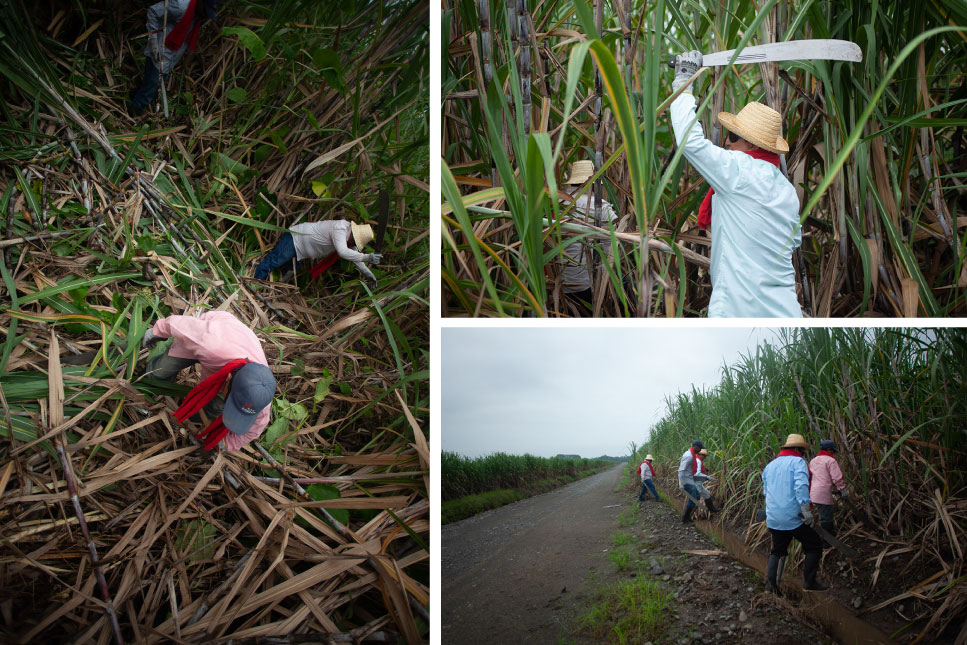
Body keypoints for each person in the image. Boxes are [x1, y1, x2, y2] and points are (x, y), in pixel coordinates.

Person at [668, 50, 802, 317]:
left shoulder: (738, 171)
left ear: (751, 143)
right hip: (785, 314)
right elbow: (793, 241)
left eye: (732, 136)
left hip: (737, 310)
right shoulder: (787, 191)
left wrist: (683, 82)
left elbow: (689, 141)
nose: (726, 142)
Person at [142, 310, 275, 451]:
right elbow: (182, 325)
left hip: (236, 347)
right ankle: (153, 388)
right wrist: (157, 331)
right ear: (227, 380)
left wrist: (226, 444)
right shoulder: (209, 343)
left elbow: (256, 427)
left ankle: (190, 419)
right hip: (216, 333)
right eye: (231, 401)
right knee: (158, 372)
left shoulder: (260, 394)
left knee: (215, 407)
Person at [762, 434, 828, 594]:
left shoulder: (770, 465)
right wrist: (806, 511)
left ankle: (771, 587)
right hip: (793, 517)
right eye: (802, 450)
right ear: (797, 449)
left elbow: (766, 492)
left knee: (778, 550)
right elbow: (801, 486)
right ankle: (809, 583)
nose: (803, 453)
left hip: (773, 517)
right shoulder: (798, 462)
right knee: (814, 546)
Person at [130, 0, 216, 116]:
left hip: (169, 60)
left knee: (153, 89)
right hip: (159, 54)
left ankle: (131, 103)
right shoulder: (180, 6)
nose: (205, 15)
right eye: (205, 11)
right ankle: (132, 116)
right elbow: (153, 12)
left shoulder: (196, 16)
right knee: (148, 92)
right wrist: (153, 41)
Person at [557, 160, 618, 316]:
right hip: (590, 284)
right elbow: (615, 246)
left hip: (560, 282)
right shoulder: (602, 206)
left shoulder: (557, 203)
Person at [253, 220, 381, 286]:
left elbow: (354, 256)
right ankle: (254, 282)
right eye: (355, 241)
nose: (354, 245)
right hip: (295, 239)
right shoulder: (340, 229)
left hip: (301, 251)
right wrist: (367, 257)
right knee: (275, 261)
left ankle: (266, 287)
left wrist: (368, 274)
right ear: (353, 234)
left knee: (288, 272)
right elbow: (343, 252)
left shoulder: (347, 238)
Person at [809, 439, 848, 540]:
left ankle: (828, 537)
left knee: (823, 515)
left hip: (813, 493)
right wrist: (842, 489)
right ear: (829, 450)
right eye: (832, 451)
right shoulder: (830, 460)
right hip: (823, 493)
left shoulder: (813, 460)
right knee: (826, 517)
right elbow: (837, 477)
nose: (833, 453)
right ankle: (828, 541)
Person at [678, 440, 712, 523]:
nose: (700, 450)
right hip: (686, 480)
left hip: (690, 479)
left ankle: (687, 517)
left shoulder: (691, 455)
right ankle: (685, 519)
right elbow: (681, 470)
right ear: (696, 447)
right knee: (694, 498)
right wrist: (681, 483)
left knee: (696, 496)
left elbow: (692, 468)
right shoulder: (689, 456)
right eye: (700, 449)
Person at [695, 447, 718, 513]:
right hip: (695, 483)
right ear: (699, 454)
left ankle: (712, 509)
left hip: (697, 482)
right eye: (703, 455)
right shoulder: (698, 461)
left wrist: (705, 469)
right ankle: (686, 518)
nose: (704, 457)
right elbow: (697, 473)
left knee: (707, 494)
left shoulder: (696, 460)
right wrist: (707, 477)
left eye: (705, 456)